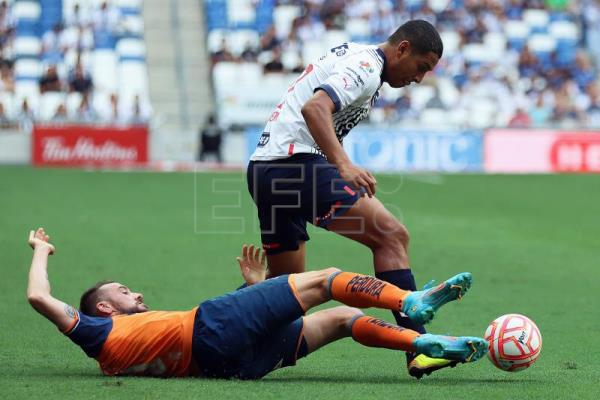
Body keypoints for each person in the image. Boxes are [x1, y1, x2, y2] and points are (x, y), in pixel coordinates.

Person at [246, 20, 449, 378]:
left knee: (285, 291)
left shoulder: (360, 59)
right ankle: (418, 345)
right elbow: (314, 108)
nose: (419, 78)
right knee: (391, 235)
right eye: (421, 67)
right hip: (294, 164)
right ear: (402, 49)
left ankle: (197, 335)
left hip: (266, 170)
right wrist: (343, 164)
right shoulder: (367, 67)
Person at [26, 227, 488, 379]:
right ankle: (412, 300)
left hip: (231, 365)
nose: (137, 293)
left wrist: (253, 291)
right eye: (123, 293)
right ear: (103, 309)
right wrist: (42, 252)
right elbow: (38, 296)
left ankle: (424, 345)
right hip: (211, 326)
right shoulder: (95, 331)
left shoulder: (116, 353)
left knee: (345, 319)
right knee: (327, 279)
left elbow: (222, 344)